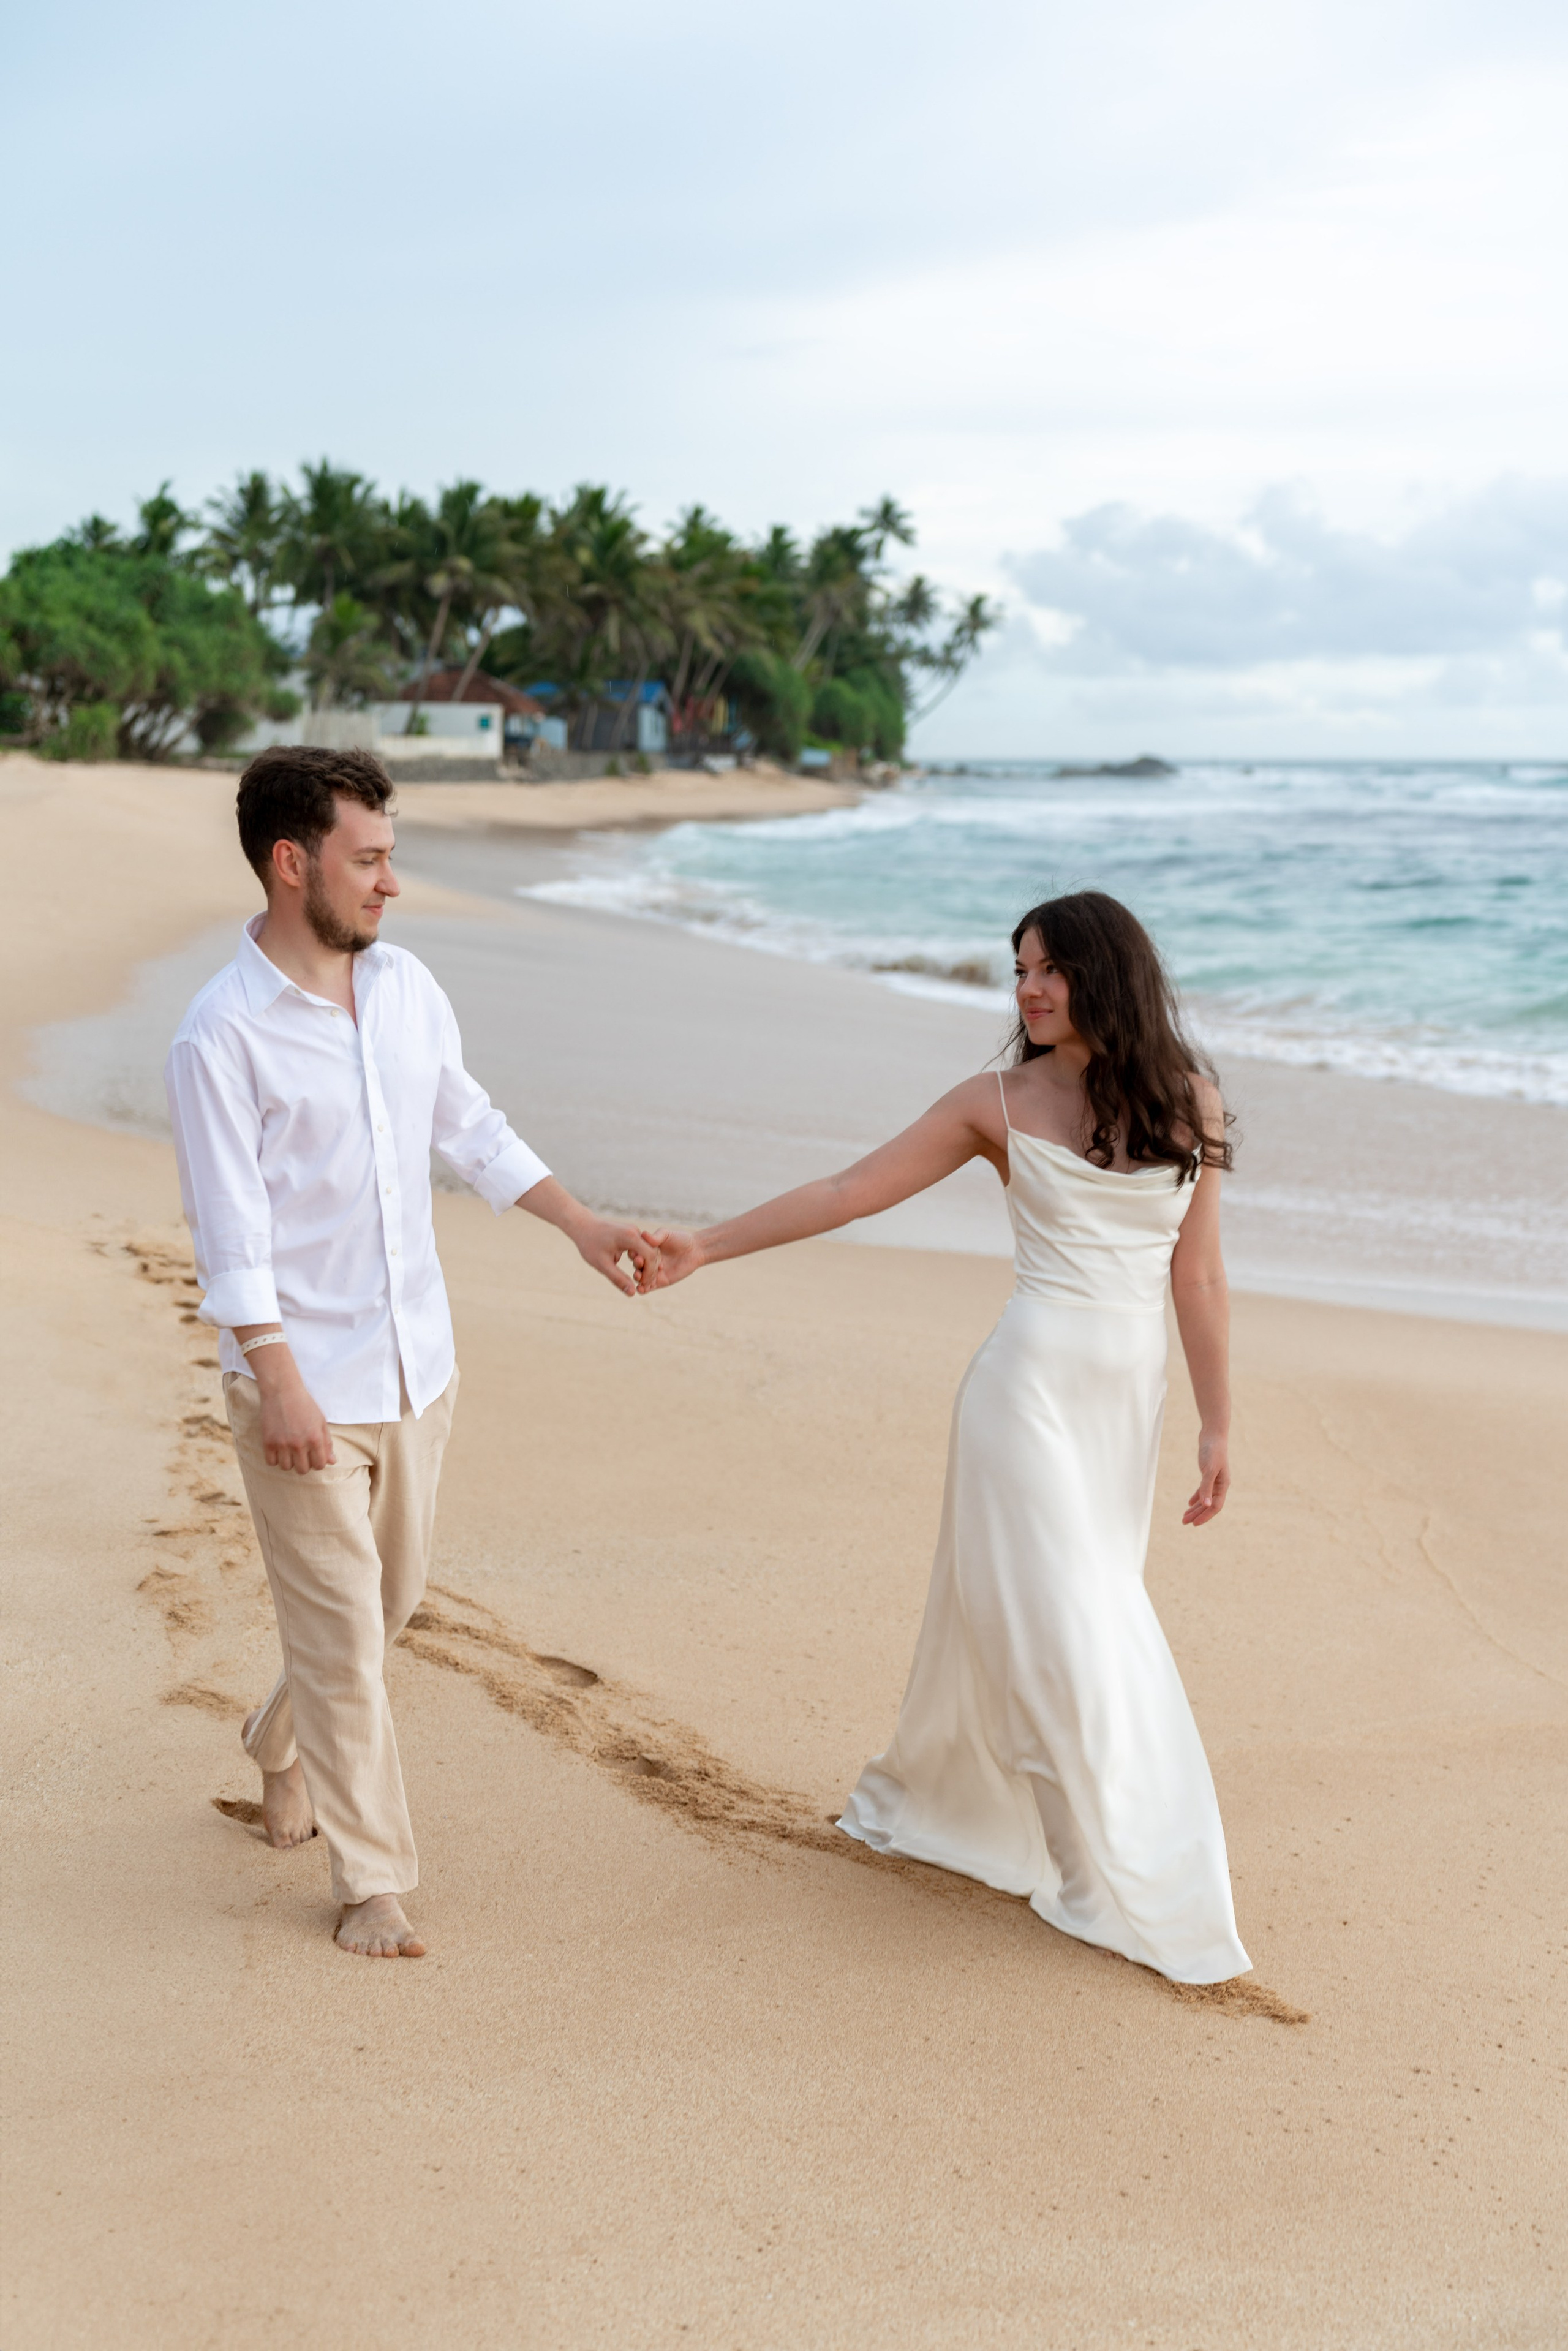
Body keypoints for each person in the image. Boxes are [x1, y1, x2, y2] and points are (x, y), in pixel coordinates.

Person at [644, 891, 1251, 1986]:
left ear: (1108, 974)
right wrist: (705, 1244)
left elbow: (1196, 1274)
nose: (1028, 989)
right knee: (1070, 1627)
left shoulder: (1191, 1100)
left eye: (1051, 968)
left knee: (1072, 1617)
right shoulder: (997, 1104)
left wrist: (1218, 1421)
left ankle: (1020, 1822)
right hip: (1023, 1395)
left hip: (1126, 1408)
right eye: (1020, 968)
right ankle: (1098, 1869)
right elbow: (849, 1189)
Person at [165, 745, 657, 1958]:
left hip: (415, 1366)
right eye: (369, 858)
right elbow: (230, 1230)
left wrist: (583, 1224)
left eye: (391, 857)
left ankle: (275, 1742)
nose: (393, 883)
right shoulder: (219, 1035)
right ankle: (371, 1878)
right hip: (297, 1379)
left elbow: (469, 1125)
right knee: (340, 1637)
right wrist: (275, 1374)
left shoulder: (407, 991)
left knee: (383, 1608)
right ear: (294, 863)